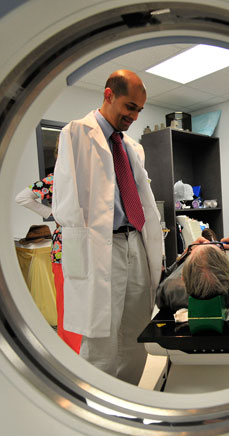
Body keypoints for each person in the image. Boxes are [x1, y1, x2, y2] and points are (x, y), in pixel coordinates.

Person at [52, 70, 163, 385]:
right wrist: (80, 256)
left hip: (136, 244)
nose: (134, 116)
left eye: (139, 110)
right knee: (101, 336)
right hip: (100, 246)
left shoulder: (131, 146)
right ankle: (98, 407)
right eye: (130, 107)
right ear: (109, 94)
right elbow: (65, 203)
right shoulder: (75, 133)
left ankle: (128, 401)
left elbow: (141, 198)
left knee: (137, 332)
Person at [15, 172, 83, 354]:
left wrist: (54, 214)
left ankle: (74, 351)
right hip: (75, 246)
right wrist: (54, 214)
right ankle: (73, 352)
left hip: (69, 245)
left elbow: (23, 198)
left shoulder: (60, 177)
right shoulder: (63, 177)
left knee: (70, 304)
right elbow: (21, 197)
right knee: (72, 304)